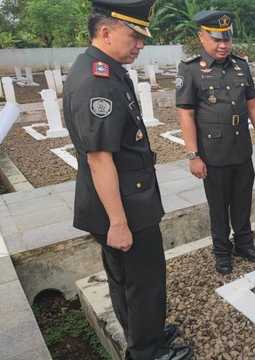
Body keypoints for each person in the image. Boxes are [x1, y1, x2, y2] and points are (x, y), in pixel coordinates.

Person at [62, 1, 193, 359]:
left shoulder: (102, 68)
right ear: (105, 32)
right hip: (124, 205)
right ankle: (147, 352)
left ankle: (143, 334)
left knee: (125, 279)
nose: (140, 44)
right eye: (133, 35)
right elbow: (99, 157)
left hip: (121, 197)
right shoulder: (97, 80)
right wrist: (118, 222)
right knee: (144, 281)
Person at [175, 10, 255, 275]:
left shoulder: (241, 65)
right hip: (213, 153)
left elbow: (252, 103)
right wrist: (193, 155)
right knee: (218, 207)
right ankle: (221, 252)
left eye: (226, 39)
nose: (222, 45)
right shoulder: (191, 69)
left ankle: (244, 245)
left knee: (242, 201)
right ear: (201, 37)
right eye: (216, 39)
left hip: (241, 150)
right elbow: (186, 113)